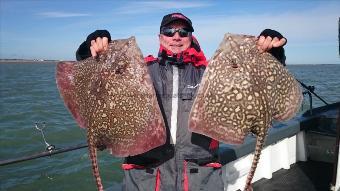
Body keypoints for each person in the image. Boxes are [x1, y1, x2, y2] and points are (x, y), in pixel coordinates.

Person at [76, 12, 287, 191]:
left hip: (200, 177)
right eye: (169, 32)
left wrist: (273, 54)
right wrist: (90, 49)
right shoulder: (140, 71)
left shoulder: (210, 73)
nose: (176, 36)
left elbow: (254, 80)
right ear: (160, 37)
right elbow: (96, 77)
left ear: (190, 37)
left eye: (183, 32)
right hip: (146, 178)